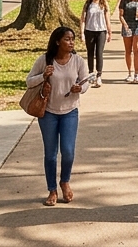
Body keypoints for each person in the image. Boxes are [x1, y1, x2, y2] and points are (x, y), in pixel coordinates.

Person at [25, 26, 90, 206]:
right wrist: (43, 76)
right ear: (57, 41)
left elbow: (85, 82)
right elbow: (29, 81)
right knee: (51, 154)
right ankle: (52, 189)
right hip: (48, 113)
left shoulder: (78, 61)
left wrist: (80, 88)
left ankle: (65, 181)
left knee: (68, 152)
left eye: (72, 39)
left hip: (70, 111)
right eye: (67, 39)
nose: (71, 43)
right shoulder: (45, 60)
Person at [81, 0, 112, 87]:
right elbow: (83, 20)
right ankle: (91, 74)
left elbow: (107, 20)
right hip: (89, 31)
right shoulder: (88, 5)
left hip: (101, 31)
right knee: (90, 53)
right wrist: (82, 33)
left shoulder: (104, 5)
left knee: (99, 53)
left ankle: (99, 75)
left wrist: (109, 32)